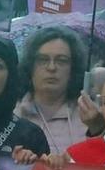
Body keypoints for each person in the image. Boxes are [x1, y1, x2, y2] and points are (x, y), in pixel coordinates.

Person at [14, 28, 92, 156]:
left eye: (61, 61)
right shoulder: (12, 114)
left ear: (73, 68)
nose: (52, 68)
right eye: (43, 60)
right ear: (30, 65)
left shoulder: (88, 116)